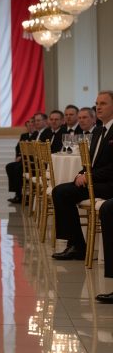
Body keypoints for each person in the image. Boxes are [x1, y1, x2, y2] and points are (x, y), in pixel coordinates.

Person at [52, 91, 113, 261]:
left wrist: (89, 176)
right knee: (60, 191)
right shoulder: (100, 130)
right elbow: (90, 162)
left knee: (63, 193)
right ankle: (75, 244)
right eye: (97, 103)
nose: (98, 107)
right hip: (96, 180)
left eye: (103, 103)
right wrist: (82, 173)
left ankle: (77, 246)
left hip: (108, 184)